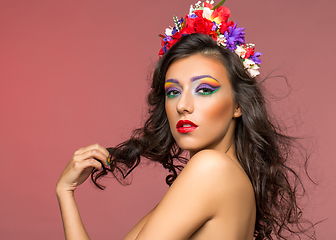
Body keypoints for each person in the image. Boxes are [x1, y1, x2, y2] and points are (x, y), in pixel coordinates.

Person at [56, 1, 314, 239]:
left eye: (204, 90)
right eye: (173, 91)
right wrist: (65, 193)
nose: (182, 105)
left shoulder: (211, 168)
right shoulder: (219, 176)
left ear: (238, 105)